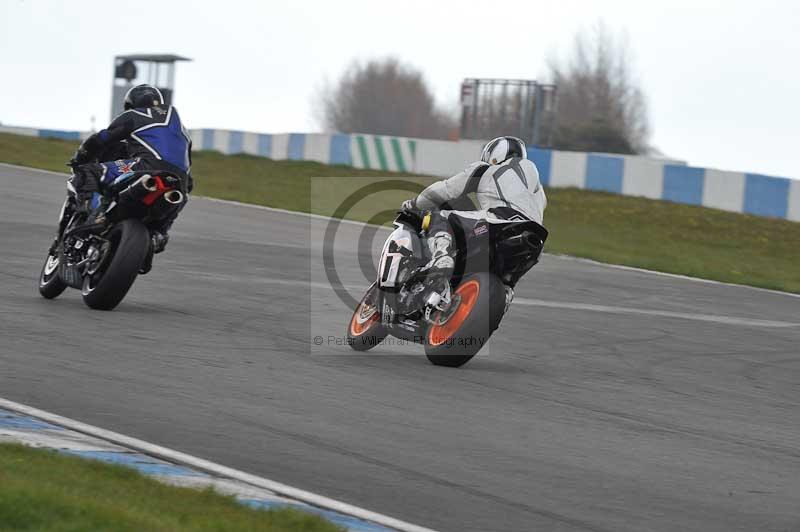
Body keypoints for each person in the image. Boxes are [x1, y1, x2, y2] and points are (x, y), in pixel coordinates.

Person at [400, 136, 547, 310]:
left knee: (441, 218)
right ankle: (505, 292)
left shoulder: (486, 169)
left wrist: (413, 204)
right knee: (506, 284)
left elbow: (445, 189)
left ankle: (442, 257)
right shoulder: (539, 190)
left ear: (494, 155)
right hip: (535, 242)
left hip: (500, 221)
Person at [64, 83, 193, 270]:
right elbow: (190, 181)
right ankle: (158, 235)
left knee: (89, 171)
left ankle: (94, 215)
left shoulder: (133, 115)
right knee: (178, 199)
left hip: (145, 166)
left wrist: (81, 157)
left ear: (131, 104)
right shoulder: (183, 132)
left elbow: (101, 140)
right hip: (179, 182)